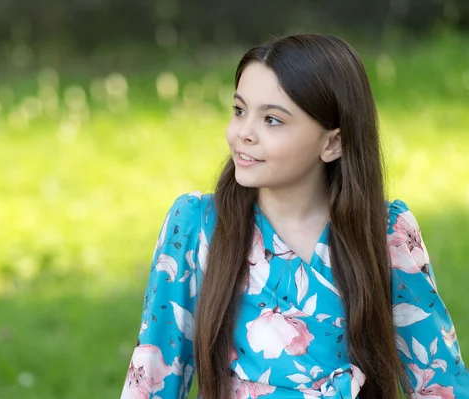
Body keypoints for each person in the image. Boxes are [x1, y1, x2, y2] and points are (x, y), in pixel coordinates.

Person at [120, 34, 469, 399]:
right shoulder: (198, 226)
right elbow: (151, 379)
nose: (244, 134)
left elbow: (440, 382)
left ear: (333, 143)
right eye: (239, 111)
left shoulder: (385, 234)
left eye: (272, 119)